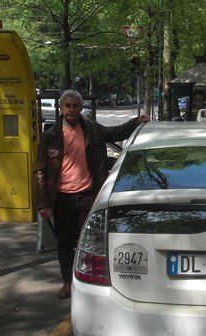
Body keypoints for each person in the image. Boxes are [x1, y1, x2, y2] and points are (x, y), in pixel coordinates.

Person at [33, 89, 150, 299]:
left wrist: (136, 122)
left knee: (89, 241)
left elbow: (116, 132)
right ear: (61, 109)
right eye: (67, 106)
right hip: (61, 198)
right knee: (64, 243)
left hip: (88, 194)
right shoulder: (50, 136)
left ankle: (86, 281)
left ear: (80, 108)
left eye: (75, 106)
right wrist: (42, 202)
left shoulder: (92, 129)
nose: (71, 109)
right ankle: (68, 282)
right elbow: (40, 169)